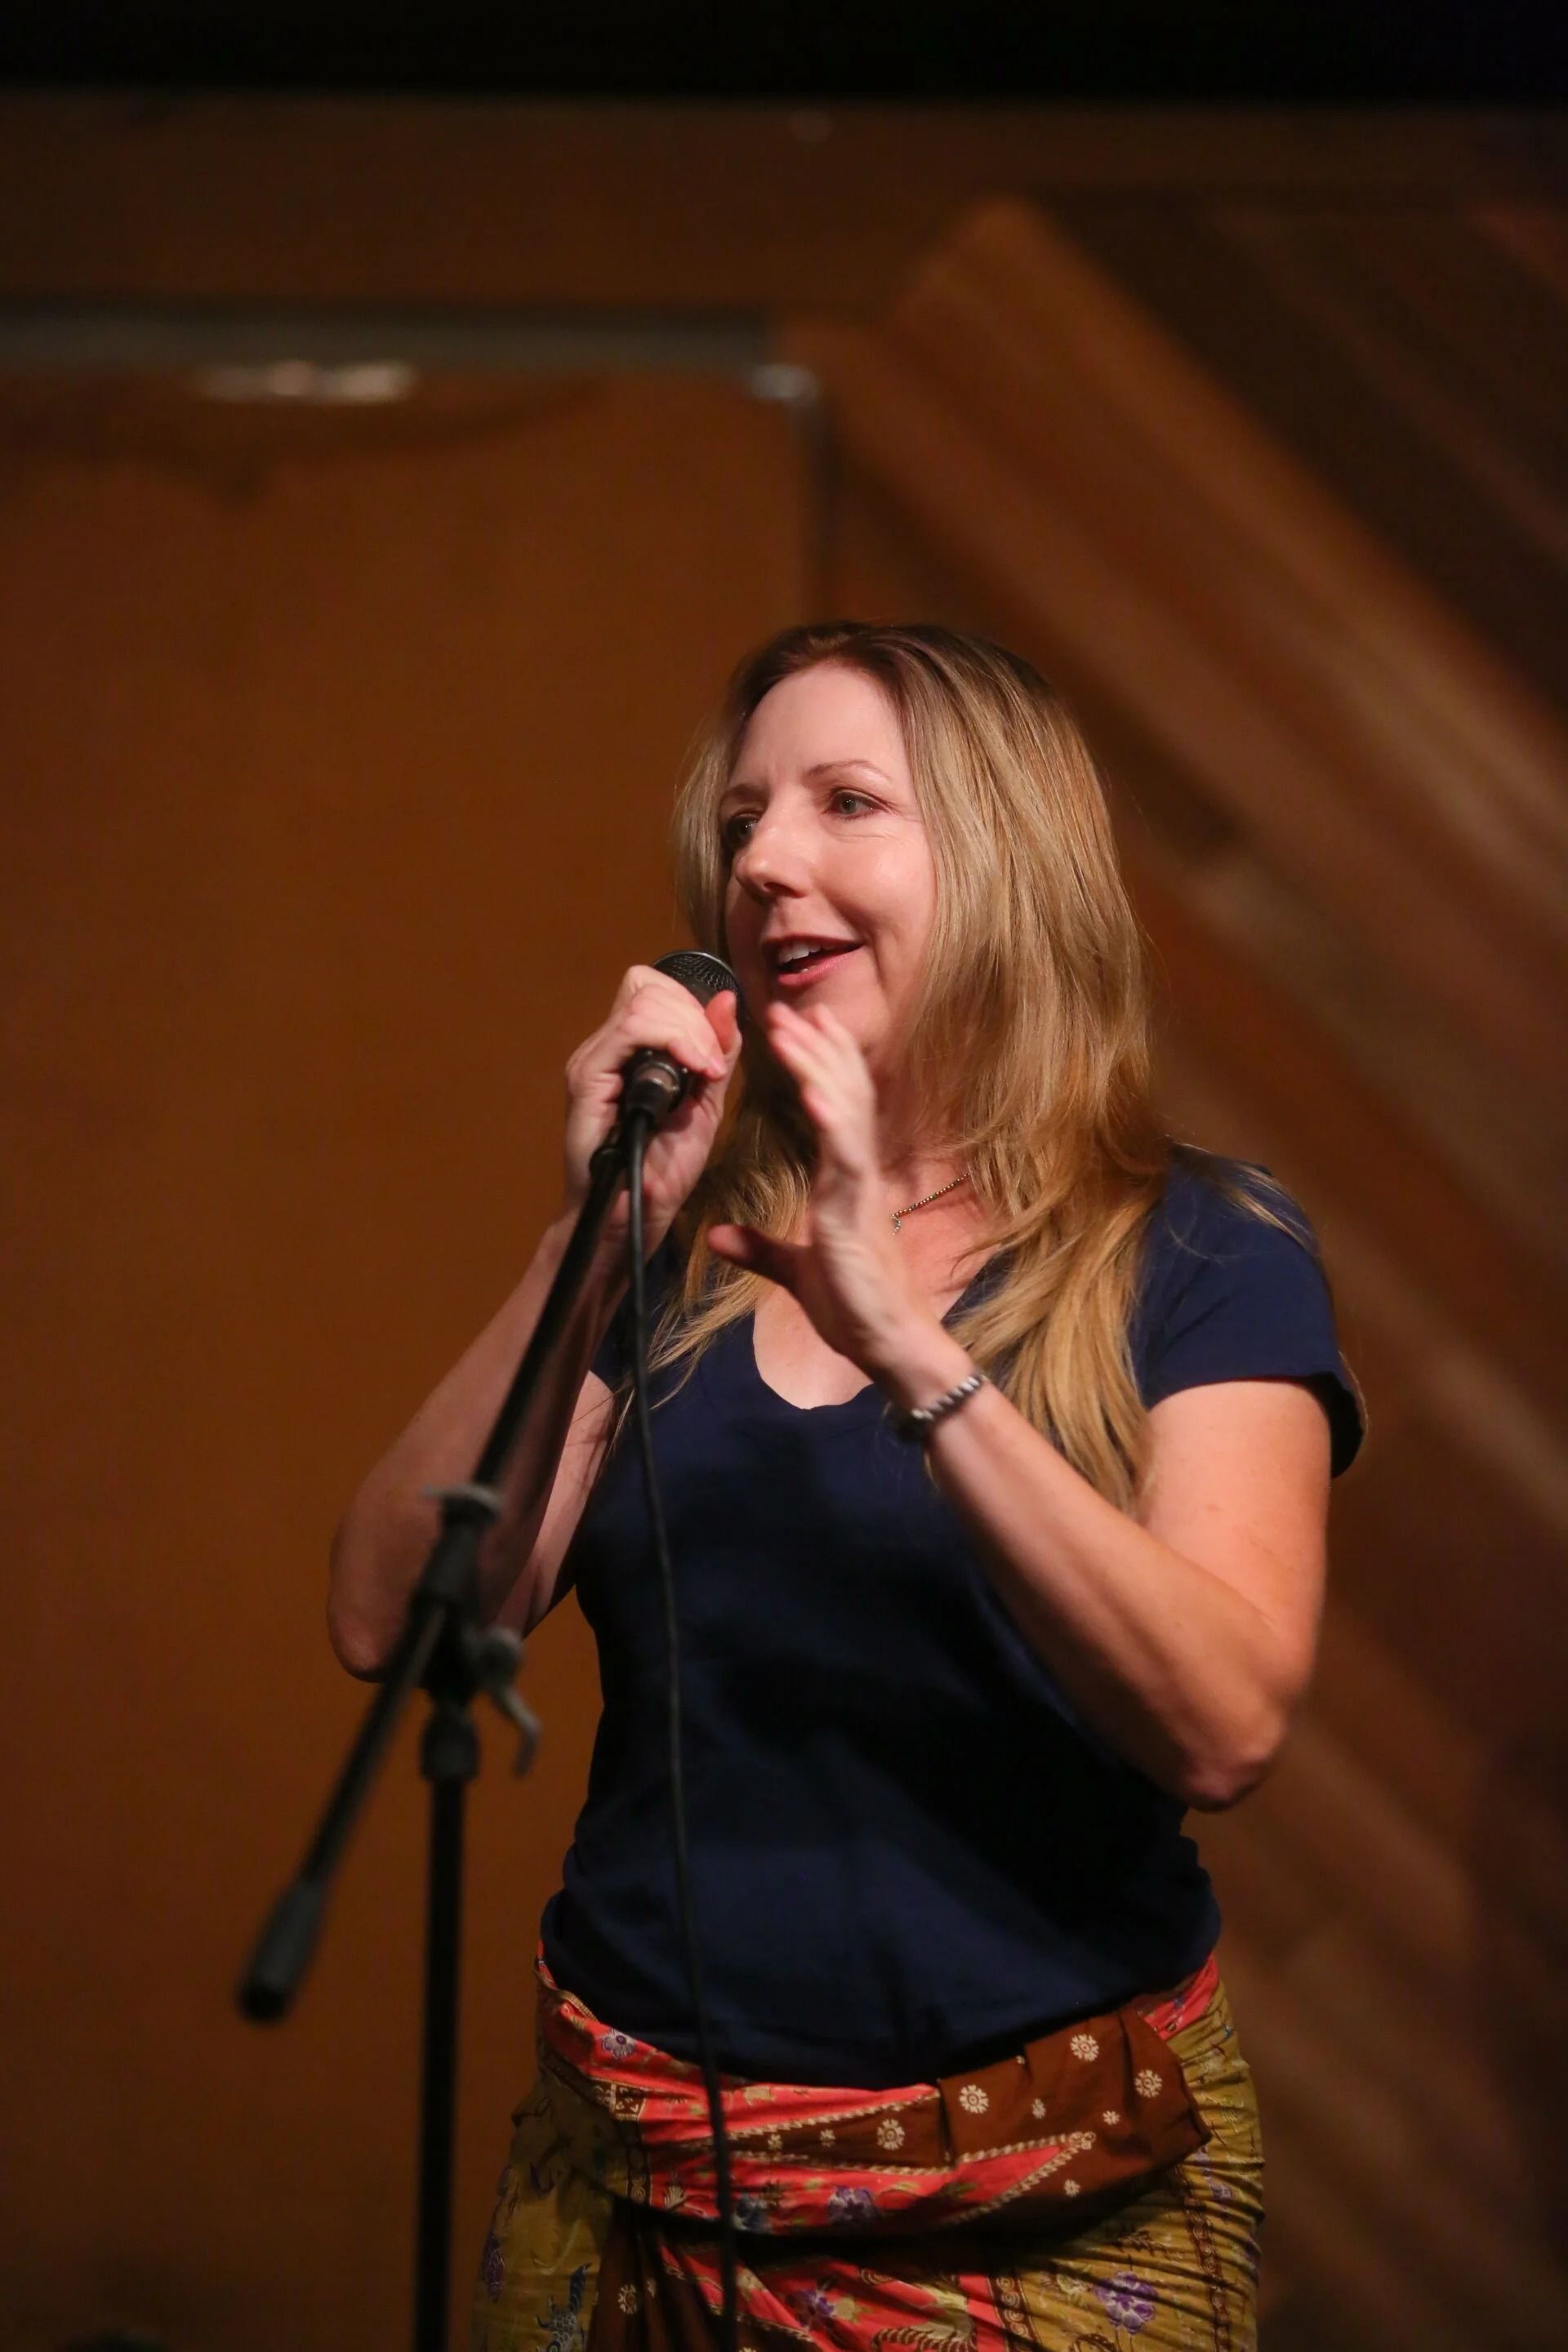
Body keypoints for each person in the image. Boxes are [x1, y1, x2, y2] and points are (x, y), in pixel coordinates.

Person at [328, 622, 1364, 2350]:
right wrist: (596, 1246)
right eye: (742, 822)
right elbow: (393, 1619)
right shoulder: (676, 1247)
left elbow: (1221, 1723)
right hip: (631, 2187)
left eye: (842, 804)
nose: (764, 864)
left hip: (1043, 2209)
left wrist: (909, 1344)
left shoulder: (1197, 1249)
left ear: (1005, 865)